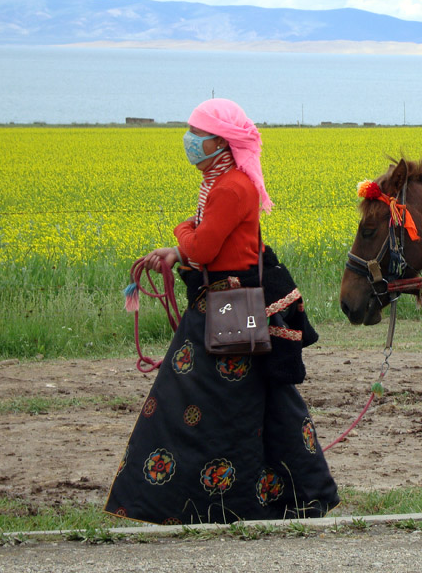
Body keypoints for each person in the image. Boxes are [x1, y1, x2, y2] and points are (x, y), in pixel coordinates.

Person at [104, 98, 339, 525]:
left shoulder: (231, 187)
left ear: (220, 143)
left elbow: (204, 247)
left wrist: (181, 234)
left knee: (201, 398)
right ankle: (291, 494)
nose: (189, 141)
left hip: (230, 307)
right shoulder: (221, 184)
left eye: (198, 135)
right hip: (223, 303)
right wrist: (179, 250)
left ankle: (196, 501)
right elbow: (208, 249)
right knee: (250, 396)